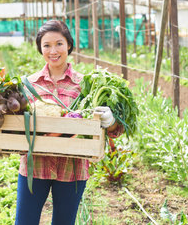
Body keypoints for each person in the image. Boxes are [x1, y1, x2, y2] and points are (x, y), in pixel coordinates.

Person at [15, 20, 124, 225]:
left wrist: (110, 121)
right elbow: (19, 128)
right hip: (34, 168)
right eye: (46, 45)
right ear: (40, 48)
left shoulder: (86, 85)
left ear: (69, 45)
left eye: (59, 44)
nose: (53, 50)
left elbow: (114, 132)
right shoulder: (28, 85)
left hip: (72, 170)